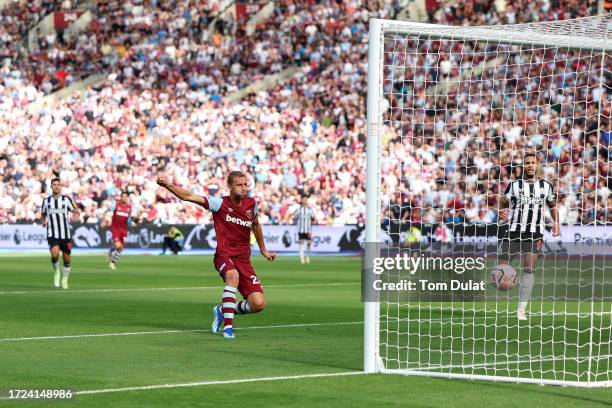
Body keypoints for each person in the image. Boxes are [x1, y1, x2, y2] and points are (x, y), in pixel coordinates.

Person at [156, 171, 277, 339]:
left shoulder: (251, 205)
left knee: (258, 304)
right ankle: (228, 328)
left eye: (245, 184)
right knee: (232, 276)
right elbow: (189, 196)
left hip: (244, 259)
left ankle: (222, 310)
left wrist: (263, 250)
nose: (243, 188)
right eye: (239, 185)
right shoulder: (219, 203)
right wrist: (168, 185)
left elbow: (255, 225)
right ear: (229, 187)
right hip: (224, 254)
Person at [498, 152, 560, 321]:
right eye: (527, 163)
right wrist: (501, 213)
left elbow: (553, 206)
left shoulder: (546, 186)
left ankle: (521, 310)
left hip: (535, 233)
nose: (530, 165)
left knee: (529, 269)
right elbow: (503, 202)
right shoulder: (514, 185)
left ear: (537, 165)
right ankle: (508, 281)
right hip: (513, 231)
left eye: (533, 162)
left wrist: (556, 223)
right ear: (523, 166)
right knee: (499, 271)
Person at [41, 178, 80, 289]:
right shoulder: (46, 201)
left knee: (67, 259)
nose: (56, 186)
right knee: (55, 255)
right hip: (52, 233)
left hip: (65, 234)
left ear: (61, 186)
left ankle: (65, 278)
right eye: (54, 184)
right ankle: (57, 272)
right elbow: (42, 214)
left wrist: (75, 217)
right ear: (51, 186)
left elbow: (76, 211)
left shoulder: (66, 200)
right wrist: (43, 221)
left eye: (58, 184)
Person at [108, 191, 133, 270]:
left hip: (124, 230)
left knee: (121, 248)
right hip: (115, 229)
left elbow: (129, 218)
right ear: (121, 197)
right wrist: (106, 220)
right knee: (118, 245)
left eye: (126, 197)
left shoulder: (129, 207)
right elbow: (109, 211)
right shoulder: (116, 205)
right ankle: (112, 260)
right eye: (123, 197)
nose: (124, 198)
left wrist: (134, 221)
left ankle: (113, 262)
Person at [294, 196, 315, 264]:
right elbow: (295, 216)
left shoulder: (310, 210)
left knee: (309, 243)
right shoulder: (299, 209)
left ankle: (308, 256)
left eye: (306, 200)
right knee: (301, 242)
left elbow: (313, 217)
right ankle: (302, 258)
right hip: (301, 229)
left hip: (308, 229)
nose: (305, 201)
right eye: (303, 200)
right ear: (302, 201)